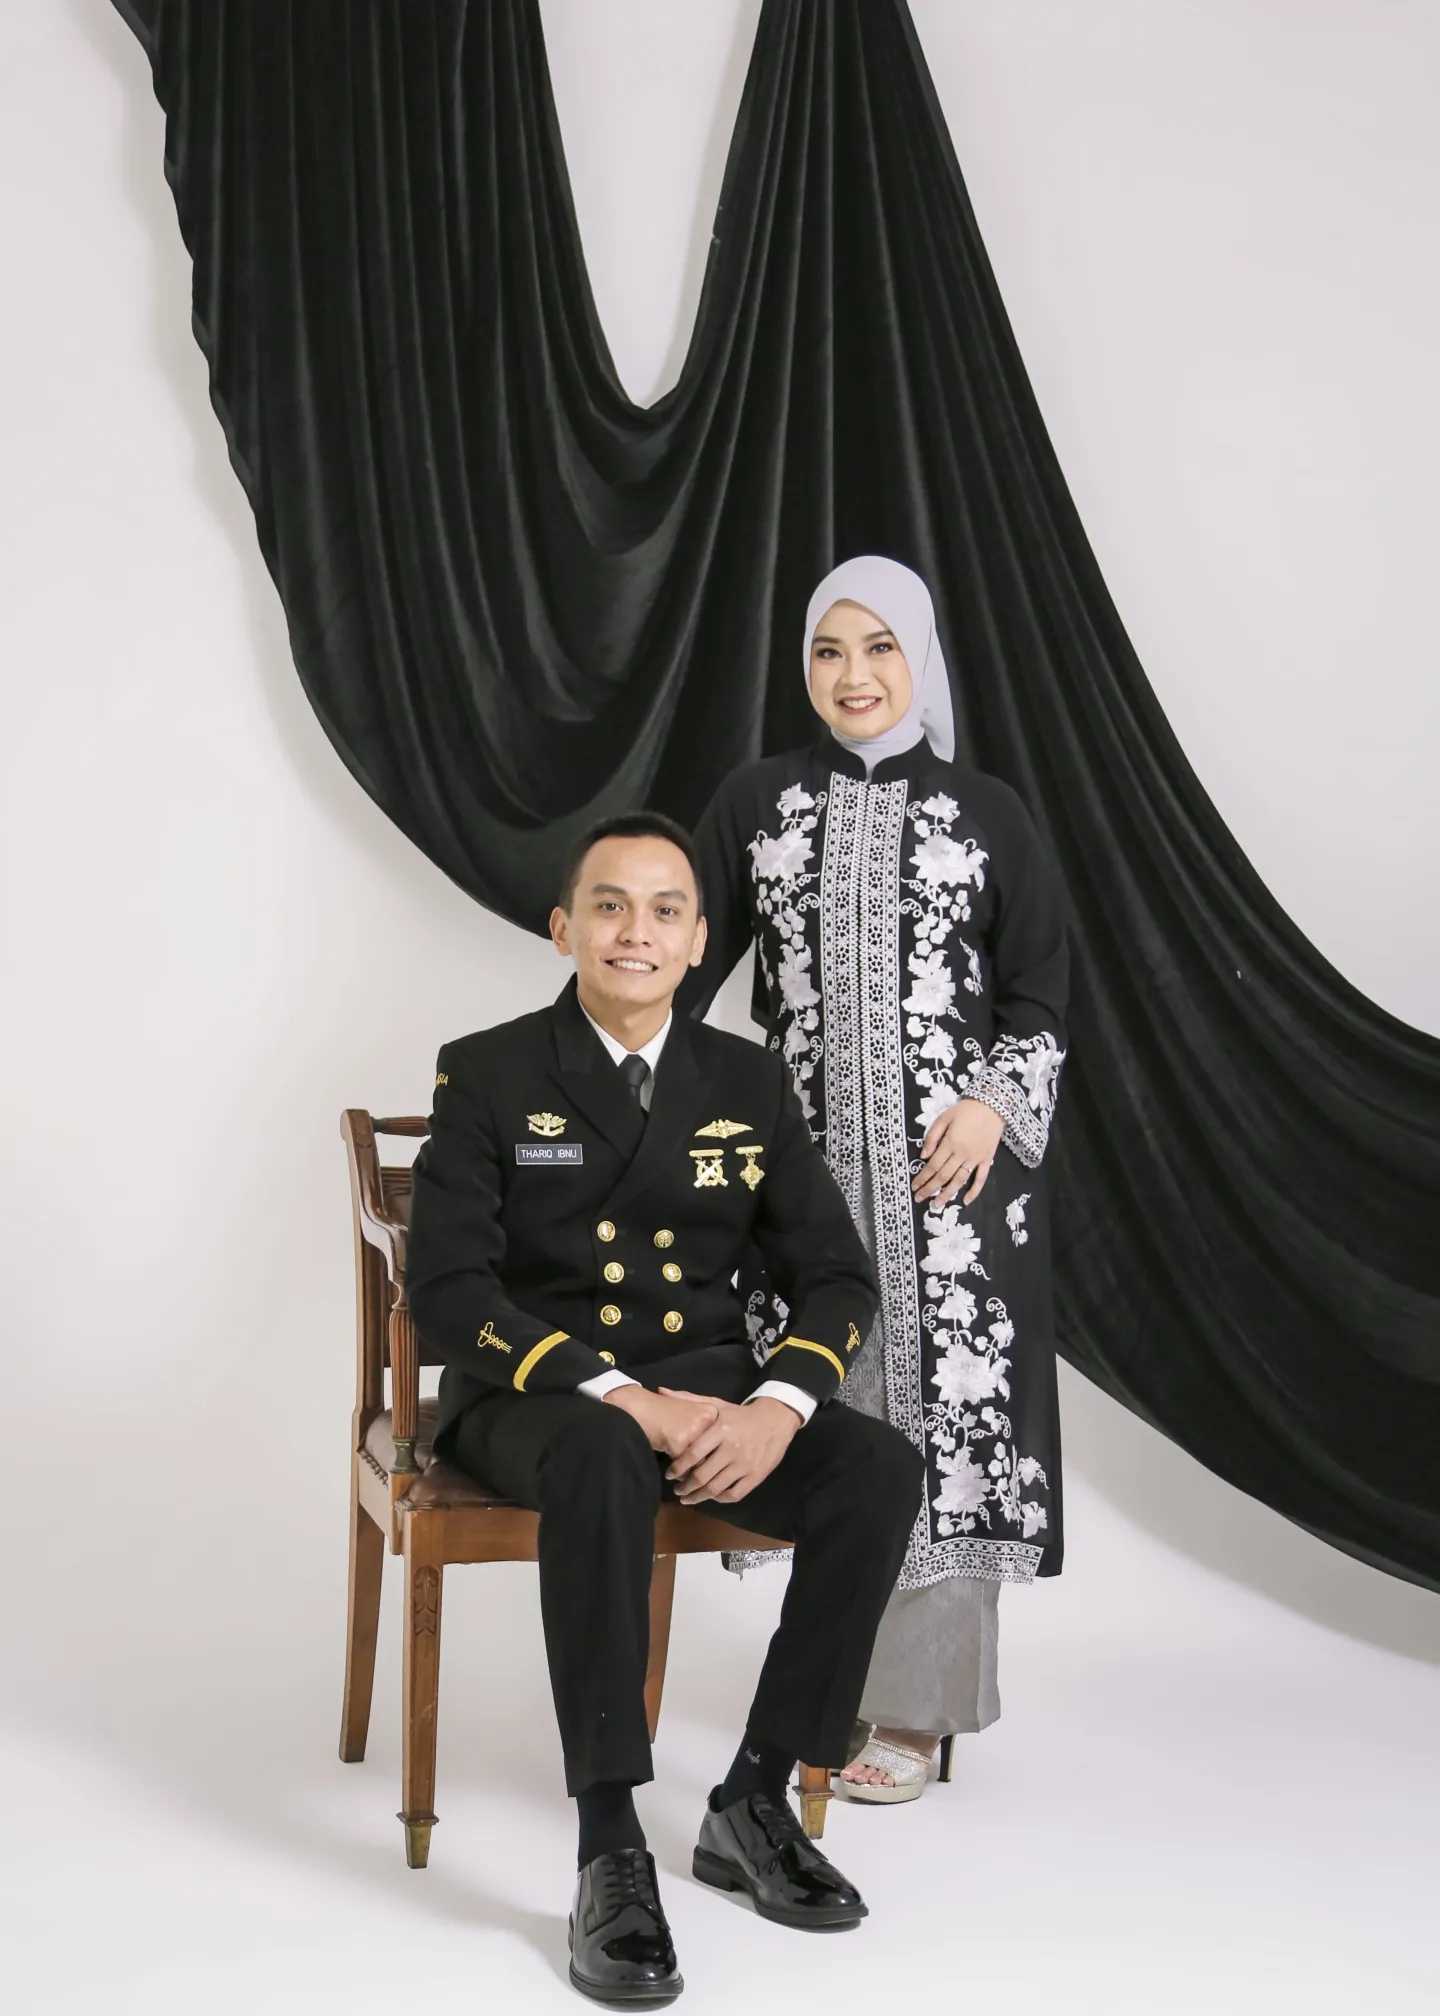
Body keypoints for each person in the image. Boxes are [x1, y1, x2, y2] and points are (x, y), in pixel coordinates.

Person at [406, 811, 924, 2003]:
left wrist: (779, 1408)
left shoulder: (747, 1081)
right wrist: (619, 1394)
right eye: (609, 905)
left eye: (665, 910)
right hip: (536, 1398)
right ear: (563, 929)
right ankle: (609, 1846)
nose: (634, 931)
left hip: (711, 1398)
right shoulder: (487, 1070)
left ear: (698, 942)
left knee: (879, 1467)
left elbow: (838, 1277)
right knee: (603, 1450)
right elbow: (447, 1292)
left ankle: (752, 1797)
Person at [678, 557, 1068, 1804]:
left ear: (921, 659)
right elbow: (683, 962)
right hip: (800, 1184)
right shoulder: (757, 804)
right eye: (829, 650)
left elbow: (1041, 992)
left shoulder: (986, 813)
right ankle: (830, 1693)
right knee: (834, 1418)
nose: (853, 675)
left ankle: (918, 1711)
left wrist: (989, 1107)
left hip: (953, 1186)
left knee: (943, 1424)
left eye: (880, 647)